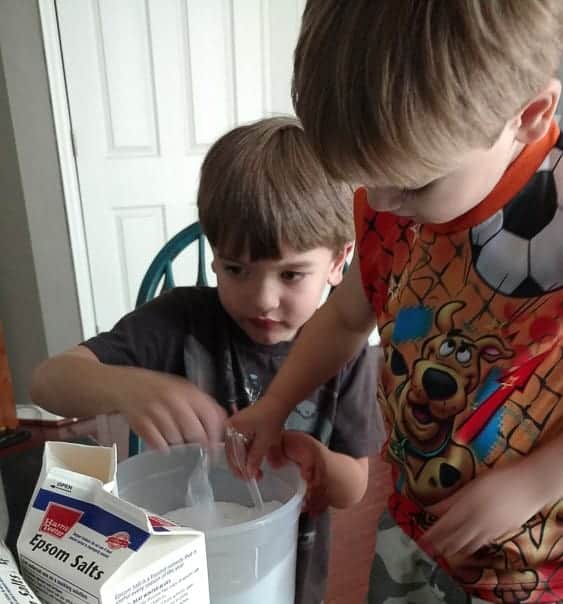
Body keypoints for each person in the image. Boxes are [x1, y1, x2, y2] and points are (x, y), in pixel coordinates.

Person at [227, 2, 563, 602]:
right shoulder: (392, 205)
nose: (379, 203)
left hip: (534, 561)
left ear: (529, 117)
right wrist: (275, 404)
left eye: (412, 185)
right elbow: (345, 317)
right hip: (412, 519)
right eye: (362, 178)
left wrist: (532, 483)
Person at [30, 116, 382, 604]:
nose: (262, 298)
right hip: (175, 577)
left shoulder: (344, 356)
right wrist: (125, 387)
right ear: (214, 256)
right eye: (236, 269)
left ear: (340, 261)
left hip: (286, 575)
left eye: (292, 275)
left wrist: (317, 462)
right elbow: (46, 383)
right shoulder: (182, 322)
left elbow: (354, 487)